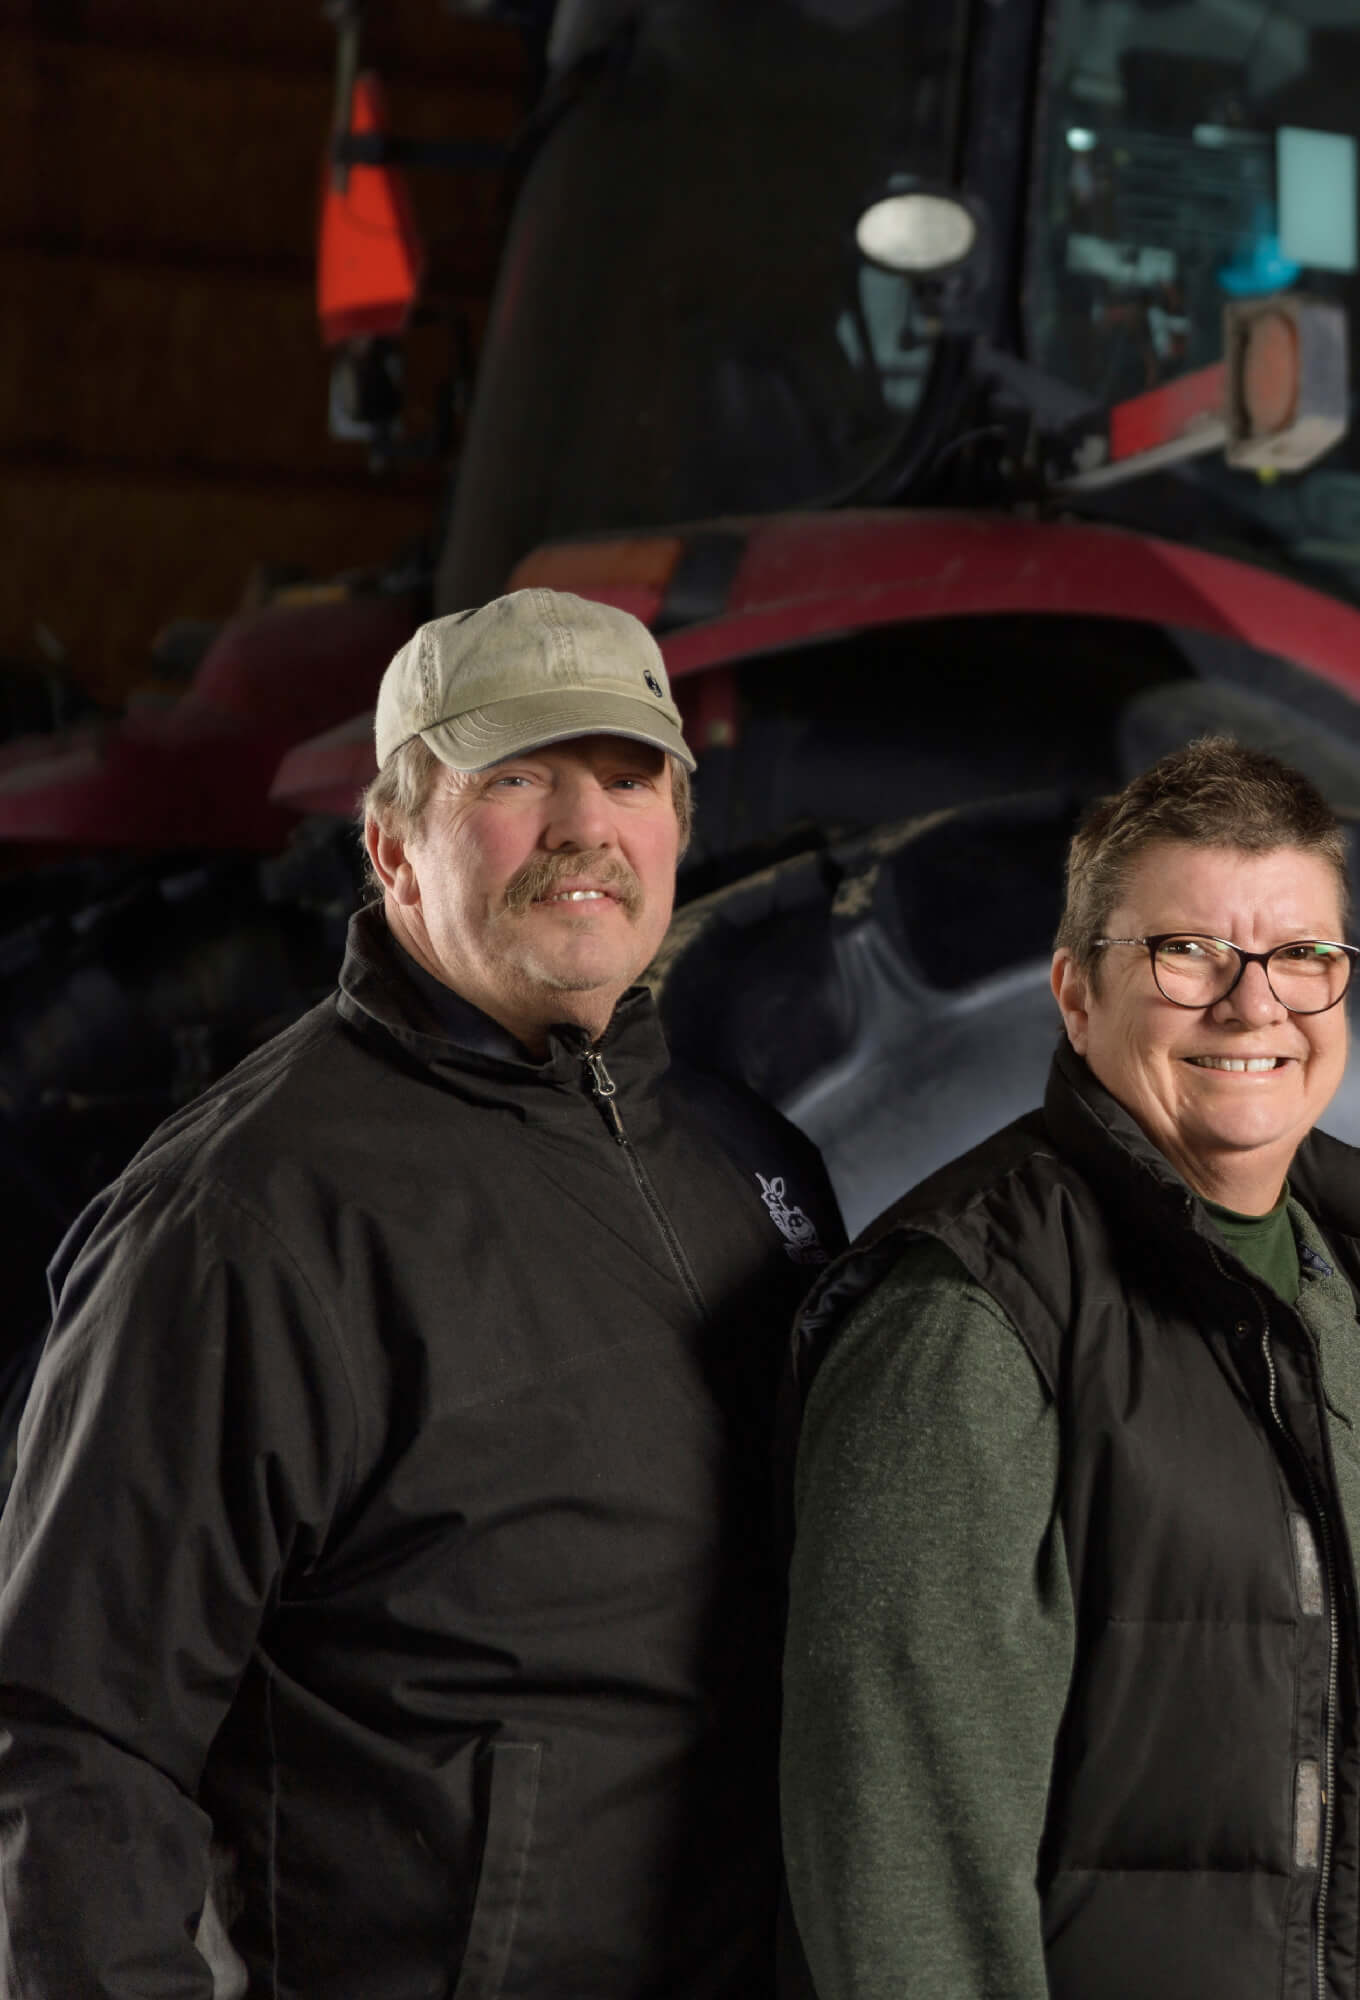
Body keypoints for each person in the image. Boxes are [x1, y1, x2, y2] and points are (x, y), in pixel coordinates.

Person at [0, 587, 843, 1995]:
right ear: (391, 843)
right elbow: (74, 1735)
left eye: (629, 776)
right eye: (517, 776)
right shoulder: (249, 1221)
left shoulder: (755, 1166)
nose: (586, 824)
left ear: (679, 830)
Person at [780, 737, 1360, 1999]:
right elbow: (902, 1871)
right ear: (1074, 990)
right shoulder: (970, 1320)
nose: (1252, 1004)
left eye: (1302, 958)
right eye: (1189, 953)